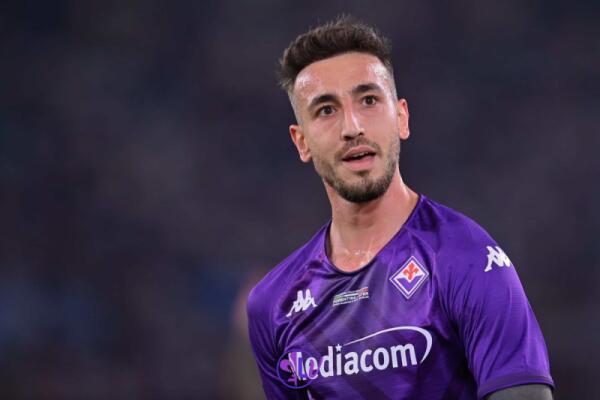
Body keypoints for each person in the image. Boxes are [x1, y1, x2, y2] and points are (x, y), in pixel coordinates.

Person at [246, 16, 554, 400]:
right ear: (301, 142)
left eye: (369, 100)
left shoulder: (466, 259)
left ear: (401, 118)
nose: (352, 127)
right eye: (326, 110)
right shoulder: (273, 304)